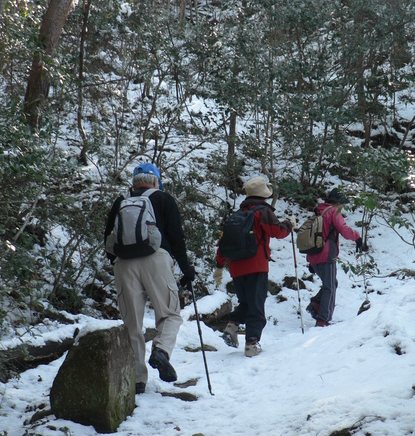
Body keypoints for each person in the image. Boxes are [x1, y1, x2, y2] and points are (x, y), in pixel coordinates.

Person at [104, 163, 195, 393]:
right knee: (170, 314)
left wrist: (118, 263)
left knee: (132, 324)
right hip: (157, 259)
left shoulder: (120, 203)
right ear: (156, 181)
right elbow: (177, 238)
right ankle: (161, 351)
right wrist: (186, 269)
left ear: (133, 183)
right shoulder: (164, 200)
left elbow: (108, 240)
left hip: (124, 264)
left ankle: (137, 380)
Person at [213, 176, 294, 357]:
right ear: (263, 195)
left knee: (247, 303)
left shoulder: (236, 215)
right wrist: (289, 224)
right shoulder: (262, 212)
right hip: (256, 266)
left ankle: (232, 326)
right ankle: (251, 344)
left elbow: (224, 243)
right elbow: (278, 231)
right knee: (256, 306)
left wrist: (219, 266)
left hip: (236, 267)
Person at [306, 187, 362, 327]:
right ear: (338, 202)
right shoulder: (333, 212)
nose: (342, 207)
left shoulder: (319, 211)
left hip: (314, 255)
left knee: (331, 284)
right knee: (330, 287)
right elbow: (344, 230)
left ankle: (316, 304)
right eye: (342, 204)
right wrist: (357, 237)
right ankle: (323, 320)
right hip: (326, 255)